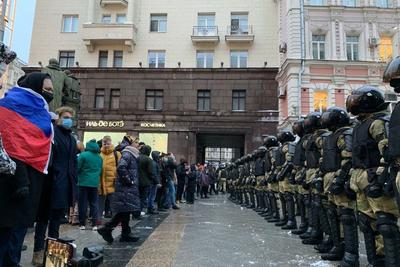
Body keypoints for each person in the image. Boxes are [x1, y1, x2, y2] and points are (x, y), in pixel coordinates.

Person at [0, 72, 54, 266]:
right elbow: (10, 144)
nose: (50, 93)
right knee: (5, 235)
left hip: (31, 184)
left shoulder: (41, 112)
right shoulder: (9, 107)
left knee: (17, 234)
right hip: (11, 183)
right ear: (34, 86)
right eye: (46, 89)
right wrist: (21, 180)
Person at [347, 86, 400, 266]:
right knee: (366, 223)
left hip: (375, 177)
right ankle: (375, 261)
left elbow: (388, 151)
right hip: (362, 179)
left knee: (386, 224)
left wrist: (382, 178)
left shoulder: (378, 122)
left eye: (356, 100)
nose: (353, 103)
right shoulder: (360, 125)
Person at [32, 106, 78, 266]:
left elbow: (73, 163)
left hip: (65, 184)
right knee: (43, 219)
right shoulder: (52, 133)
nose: (68, 120)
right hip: (50, 183)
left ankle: (53, 255)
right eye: (65, 116)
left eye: (70, 117)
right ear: (58, 118)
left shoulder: (72, 138)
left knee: (56, 221)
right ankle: (38, 252)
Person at [97, 135, 141, 243]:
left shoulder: (130, 153)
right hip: (125, 187)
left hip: (127, 188)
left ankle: (125, 233)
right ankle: (107, 228)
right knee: (124, 211)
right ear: (131, 143)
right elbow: (121, 167)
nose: (138, 144)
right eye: (136, 142)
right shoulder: (127, 153)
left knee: (126, 211)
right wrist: (129, 181)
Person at [77, 139, 102, 230]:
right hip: (94, 183)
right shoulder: (99, 157)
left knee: (82, 203)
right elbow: (100, 170)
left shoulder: (83, 155)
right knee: (94, 203)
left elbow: (77, 168)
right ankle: (95, 224)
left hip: (83, 182)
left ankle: (82, 224)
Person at [98, 136, 121, 219]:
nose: (106, 145)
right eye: (104, 143)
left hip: (112, 182)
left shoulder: (116, 154)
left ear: (111, 143)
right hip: (101, 183)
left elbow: (120, 168)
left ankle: (117, 220)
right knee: (100, 203)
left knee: (114, 203)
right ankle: (98, 220)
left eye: (108, 143)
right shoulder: (99, 154)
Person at [138, 145, 154, 212]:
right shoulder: (148, 159)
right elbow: (150, 172)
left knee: (137, 198)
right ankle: (138, 213)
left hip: (136, 181)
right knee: (142, 198)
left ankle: (134, 213)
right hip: (145, 182)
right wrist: (151, 179)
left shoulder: (137, 157)